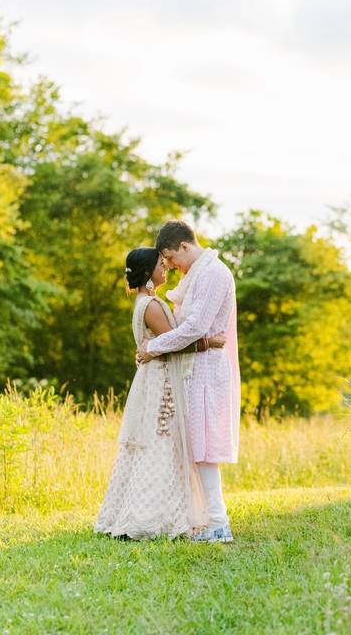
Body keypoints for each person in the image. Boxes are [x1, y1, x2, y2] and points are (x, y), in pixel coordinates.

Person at [94, 247, 225, 540]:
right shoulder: (150, 306)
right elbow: (175, 343)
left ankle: (159, 513)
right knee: (160, 443)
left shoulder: (149, 301)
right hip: (160, 383)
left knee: (158, 444)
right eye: (159, 264)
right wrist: (211, 342)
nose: (164, 267)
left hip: (157, 376)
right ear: (147, 272)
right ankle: (148, 517)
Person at [137, 221, 241, 543]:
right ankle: (206, 518)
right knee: (197, 445)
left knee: (205, 446)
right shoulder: (195, 276)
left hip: (207, 371)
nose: (169, 266)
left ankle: (218, 522)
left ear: (184, 246)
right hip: (193, 369)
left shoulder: (213, 274)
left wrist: (152, 347)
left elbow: (196, 327)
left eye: (170, 258)